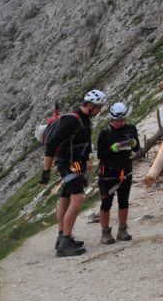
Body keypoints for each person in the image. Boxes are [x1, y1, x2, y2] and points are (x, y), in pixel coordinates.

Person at [40, 89, 107, 257]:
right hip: (69, 165)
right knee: (78, 198)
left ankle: (61, 236)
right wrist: (46, 171)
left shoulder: (84, 119)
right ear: (89, 105)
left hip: (75, 164)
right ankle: (65, 242)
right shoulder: (73, 120)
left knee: (66, 197)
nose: (99, 111)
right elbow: (51, 144)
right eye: (98, 107)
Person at [96, 102, 140, 244]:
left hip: (126, 171)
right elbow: (100, 155)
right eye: (116, 120)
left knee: (124, 201)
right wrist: (111, 149)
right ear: (111, 118)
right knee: (106, 203)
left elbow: (137, 148)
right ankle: (105, 233)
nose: (119, 122)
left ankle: (122, 230)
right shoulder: (105, 133)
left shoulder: (130, 129)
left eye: (122, 120)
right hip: (108, 173)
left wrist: (134, 144)